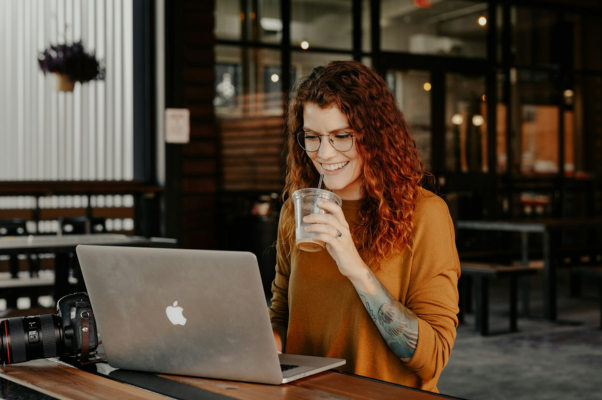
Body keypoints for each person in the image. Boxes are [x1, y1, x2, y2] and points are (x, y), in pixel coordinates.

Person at [268, 60, 460, 393]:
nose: (325, 154)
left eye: (342, 136)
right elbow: (283, 314)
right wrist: (254, 341)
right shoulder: (296, 212)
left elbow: (432, 358)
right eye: (312, 137)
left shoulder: (425, 214)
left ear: (375, 135)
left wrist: (355, 267)